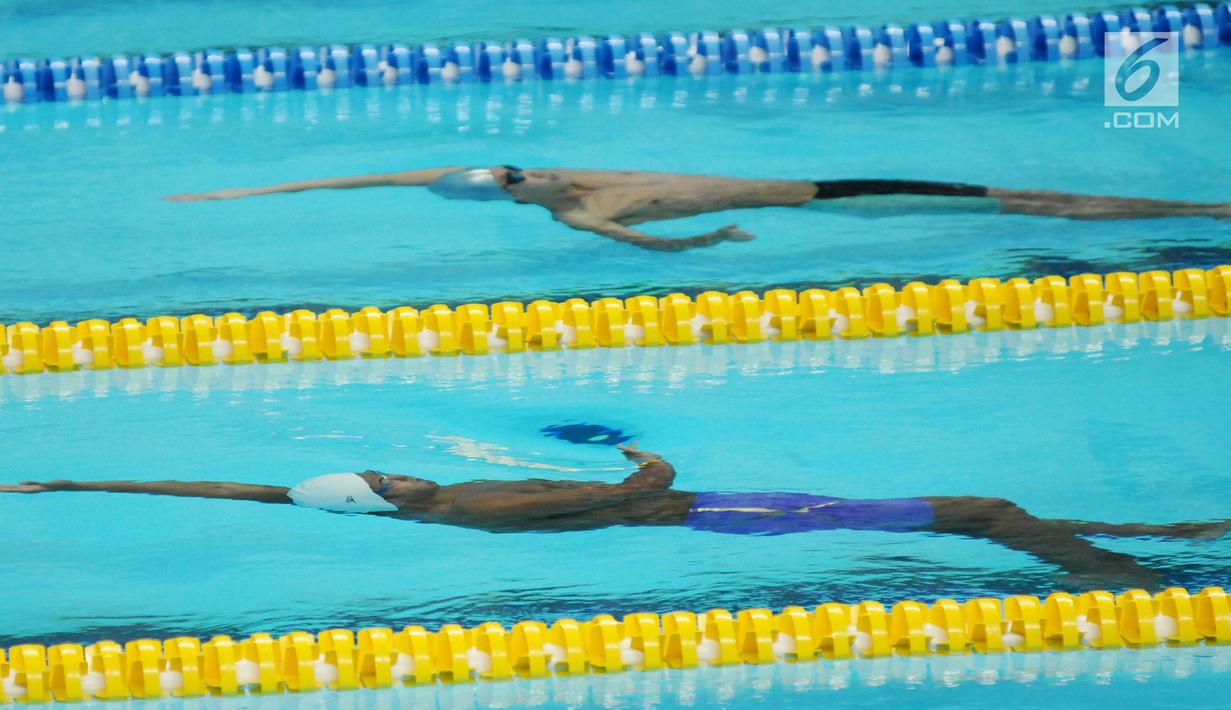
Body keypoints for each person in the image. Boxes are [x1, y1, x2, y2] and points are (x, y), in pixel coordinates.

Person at [4, 444, 1224, 587]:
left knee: (976, 515)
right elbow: (635, 493)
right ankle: (1129, 584)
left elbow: (245, 488)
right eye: (382, 468)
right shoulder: (480, 499)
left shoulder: (423, 520)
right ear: (391, 494)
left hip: (718, 519)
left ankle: (1155, 548)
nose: (392, 464)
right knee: (984, 503)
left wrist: (77, 482)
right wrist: (646, 450)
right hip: (729, 513)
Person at [165, 165, 1231, 252]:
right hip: (832, 212)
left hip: (829, 181)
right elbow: (639, 246)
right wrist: (712, 237)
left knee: (1021, 197)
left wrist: (249, 189)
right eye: (507, 180)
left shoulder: (559, 170)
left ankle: (1204, 204)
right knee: (1031, 207)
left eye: (513, 168)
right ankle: (1208, 212)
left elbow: (371, 179)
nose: (522, 175)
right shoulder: (571, 216)